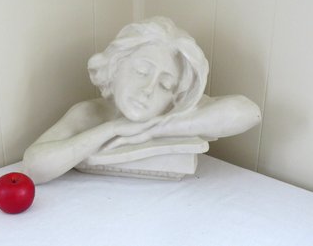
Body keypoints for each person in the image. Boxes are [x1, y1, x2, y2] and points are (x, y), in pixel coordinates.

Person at [23, 17, 261, 184]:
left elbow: (248, 112)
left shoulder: (171, 111)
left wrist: (152, 129)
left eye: (165, 84)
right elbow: (34, 166)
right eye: (141, 72)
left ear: (174, 96)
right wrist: (113, 128)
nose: (148, 89)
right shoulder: (90, 114)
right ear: (115, 66)